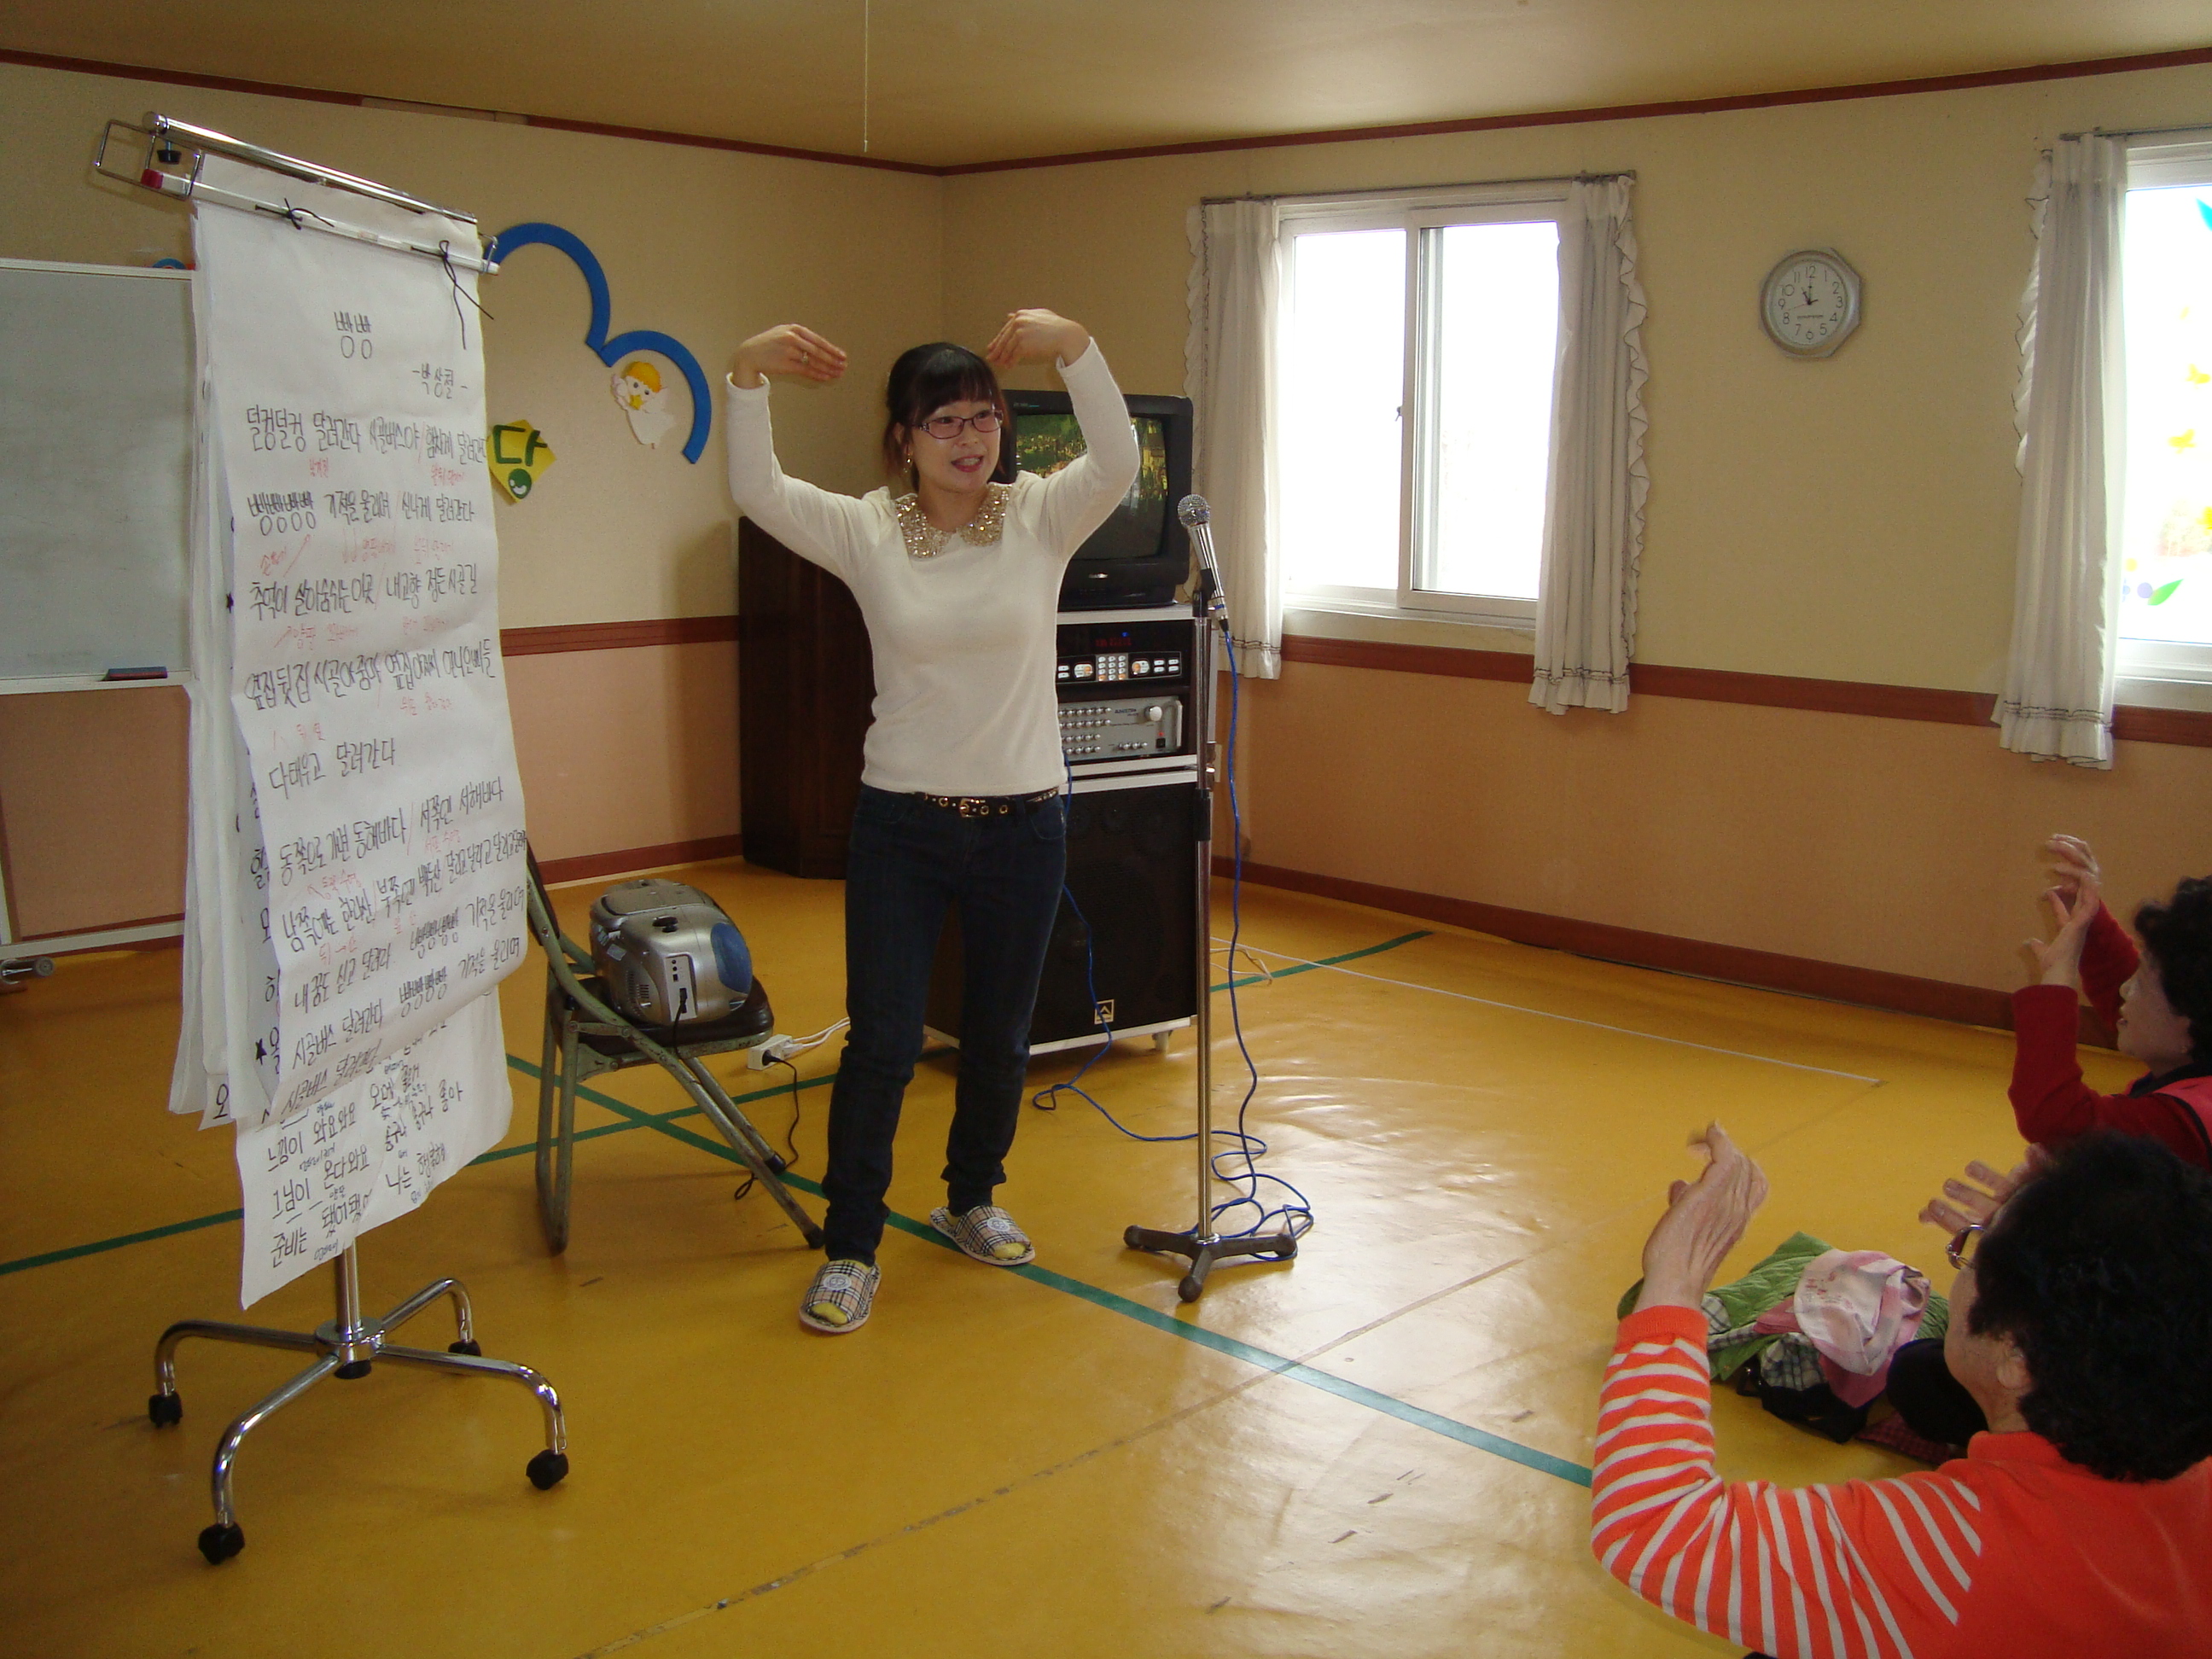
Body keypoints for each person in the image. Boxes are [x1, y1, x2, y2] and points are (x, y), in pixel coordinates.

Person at [725, 310, 1138, 1334]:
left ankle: (971, 1199)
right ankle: (851, 1245)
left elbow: (1119, 460)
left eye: (985, 419)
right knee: (883, 1042)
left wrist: (1074, 345)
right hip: (903, 829)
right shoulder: (867, 529)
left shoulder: (1041, 514)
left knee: (999, 1034)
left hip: (1025, 826)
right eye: (944, 421)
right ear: (903, 439)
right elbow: (757, 490)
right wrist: (745, 376)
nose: (970, 439)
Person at [1592, 1125, 2212, 1657]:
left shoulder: (1956, 1553)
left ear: (2018, 1358)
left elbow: (1655, 1524)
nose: (1957, 1269)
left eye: (1973, 1258)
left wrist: (1676, 1282)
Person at [2009, 835, 2212, 1166]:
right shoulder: (2192, 1042)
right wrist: (2087, 917)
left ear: (2190, 1023)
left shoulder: (2186, 1122)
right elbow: (2143, 1006)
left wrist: (2058, 977)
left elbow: (2056, 1119)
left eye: (2141, 984)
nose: (2125, 989)